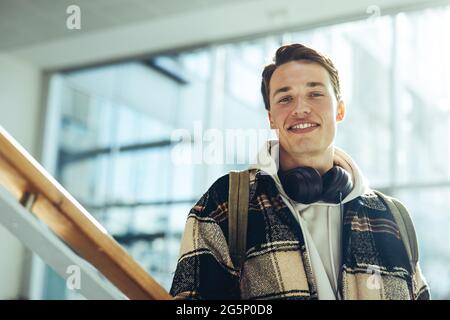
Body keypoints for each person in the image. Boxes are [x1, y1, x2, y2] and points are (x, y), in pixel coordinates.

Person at [169, 43, 430, 300]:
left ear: (340, 109)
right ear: (271, 118)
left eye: (315, 94)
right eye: (285, 98)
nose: (300, 109)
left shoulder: (392, 217)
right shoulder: (227, 201)